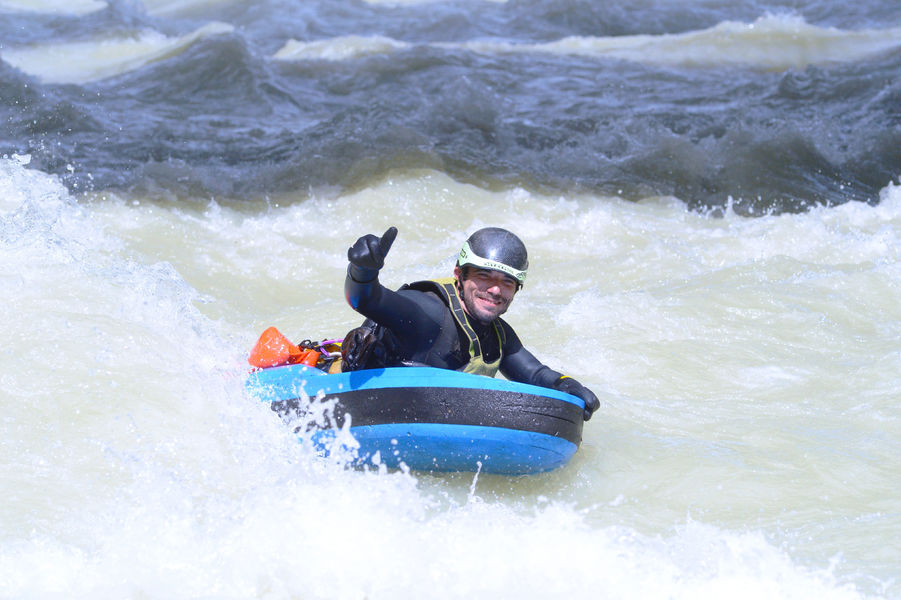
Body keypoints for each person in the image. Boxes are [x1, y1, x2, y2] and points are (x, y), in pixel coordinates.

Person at [341, 226, 600, 421]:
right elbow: (366, 300)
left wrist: (565, 385)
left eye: (507, 282)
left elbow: (534, 374)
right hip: (370, 410)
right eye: (484, 276)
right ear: (459, 275)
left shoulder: (498, 335)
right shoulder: (428, 313)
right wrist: (362, 271)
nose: (496, 290)